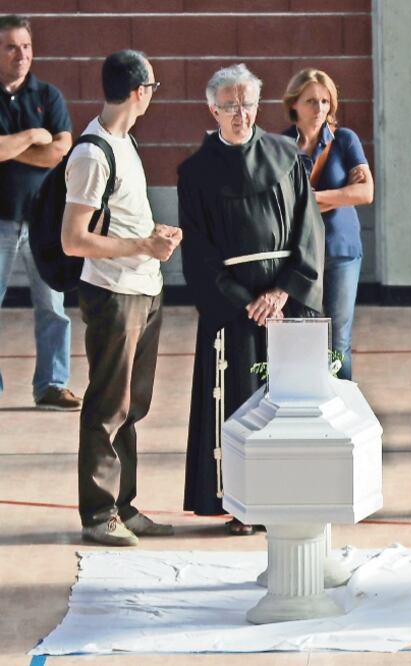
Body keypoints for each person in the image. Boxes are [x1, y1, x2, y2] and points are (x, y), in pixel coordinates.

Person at [179, 64, 324, 535]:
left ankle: (291, 498)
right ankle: (242, 503)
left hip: (287, 302)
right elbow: (198, 251)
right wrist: (246, 301)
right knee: (240, 405)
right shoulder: (196, 173)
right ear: (212, 110)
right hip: (234, 309)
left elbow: (309, 229)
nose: (240, 114)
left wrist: (282, 292)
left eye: (247, 104)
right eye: (229, 106)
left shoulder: (286, 154)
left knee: (288, 404)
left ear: (258, 106)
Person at [61, 50, 181, 546]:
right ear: (139, 91)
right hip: (114, 294)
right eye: (152, 85)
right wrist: (141, 246)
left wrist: (152, 235)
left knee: (132, 406)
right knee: (108, 405)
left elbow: (118, 218)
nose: (153, 93)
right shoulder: (92, 152)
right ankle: (98, 514)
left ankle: (123, 506)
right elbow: (74, 239)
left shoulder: (124, 141)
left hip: (143, 287)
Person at [0, 14, 78, 410]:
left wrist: (11, 148)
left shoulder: (48, 96)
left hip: (43, 221)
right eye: (12, 47)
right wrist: (32, 136)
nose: (21, 55)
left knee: (52, 306)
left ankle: (51, 384)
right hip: (0, 220)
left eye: (26, 46)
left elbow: (61, 148)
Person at [282, 68, 373, 380]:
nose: (319, 108)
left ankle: (343, 413)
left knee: (338, 342)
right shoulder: (279, 146)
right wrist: (339, 195)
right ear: (294, 104)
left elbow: (365, 192)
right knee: (301, 336)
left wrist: (311, 197)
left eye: (325, 101)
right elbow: (280, 204)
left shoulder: (345, 140)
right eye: (311, 101)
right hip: (298, 253)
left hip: (341, 252)